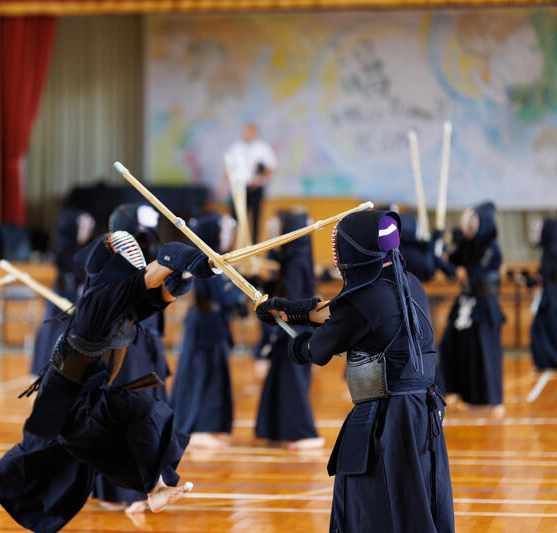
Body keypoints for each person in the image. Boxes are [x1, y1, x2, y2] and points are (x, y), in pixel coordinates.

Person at [0, 231, 212, 533]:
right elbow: (159, 268)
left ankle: (156, 488)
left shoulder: (123, 302)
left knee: (145, 414)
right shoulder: (100, 300)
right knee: (29, 457)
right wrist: (185, 259)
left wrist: (188, 274)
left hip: (91, 393)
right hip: (62, 399)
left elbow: (162, 294)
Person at [255, 210, 454, 532]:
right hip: (420, 412)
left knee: (372, 508)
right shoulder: (407, 283)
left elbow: (316, 350)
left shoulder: (366, 299)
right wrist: (290, 310)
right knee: (413, 502)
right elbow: (340, 312)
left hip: (388, 421)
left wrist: (292, 342)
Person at [92, 203, 172, 514]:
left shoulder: (151, 248)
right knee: (123, 414)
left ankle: (149, 486)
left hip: (145, 341)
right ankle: (119, 491)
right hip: (122, 344)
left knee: (149, 414)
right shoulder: (111, 257)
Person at [170, 211, 243, 449]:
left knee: (214, 375)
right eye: (224, 230)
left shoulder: (215, 259)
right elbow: (222, 298)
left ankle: (211, 426)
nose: (228, 235)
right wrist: (239, 286)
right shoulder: (205, 261)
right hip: (204, 324)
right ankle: (195, 428)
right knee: (199, 375)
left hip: (212, 323)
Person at [254, 209, 323, 450]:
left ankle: (303, 433)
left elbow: (292, 297)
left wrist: (276, 302)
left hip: (296, 329)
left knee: (292, 382)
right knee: (281, 379)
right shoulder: (292, 257)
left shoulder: (296, 260)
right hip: (293, 327)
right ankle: (278, 430)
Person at [438, 202, 504, 413]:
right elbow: (450, 262)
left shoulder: (490, 248)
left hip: (484, 305)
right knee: (452, 344)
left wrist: (447, 264)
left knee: (484, 350)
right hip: (465, 301)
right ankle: (457, 391)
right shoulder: (467, 245)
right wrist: (438, 246)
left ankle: (494, 400)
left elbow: (464, 273)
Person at [31, 208, 95, 374]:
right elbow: (76, 271)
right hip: (62, 300)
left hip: (77, 300)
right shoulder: (62, 249)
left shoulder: (84, 250)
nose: (87, 231)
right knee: (54, 337)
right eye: (83, 226)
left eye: (89, 227)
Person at [224, 123, 277, 242]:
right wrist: (226, 184)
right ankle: (233, 246)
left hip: (255, 189)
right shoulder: (236, 148)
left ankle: (254, 247)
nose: (246, 134)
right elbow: (228, 167)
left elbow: (271, 166)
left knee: (255, 219)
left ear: (254, 132)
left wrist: (260, 179)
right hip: (238, 189)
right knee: (234, 219)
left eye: (249, 131)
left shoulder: (262, 148)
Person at [530, 219, 557, 370]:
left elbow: (546, 275)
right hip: (550, 296)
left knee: (545, 329)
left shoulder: (552, 251)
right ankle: (547, 361)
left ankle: (550, 361)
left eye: (538, 231)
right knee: (541, 329)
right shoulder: (549, 250)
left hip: (552, 298)